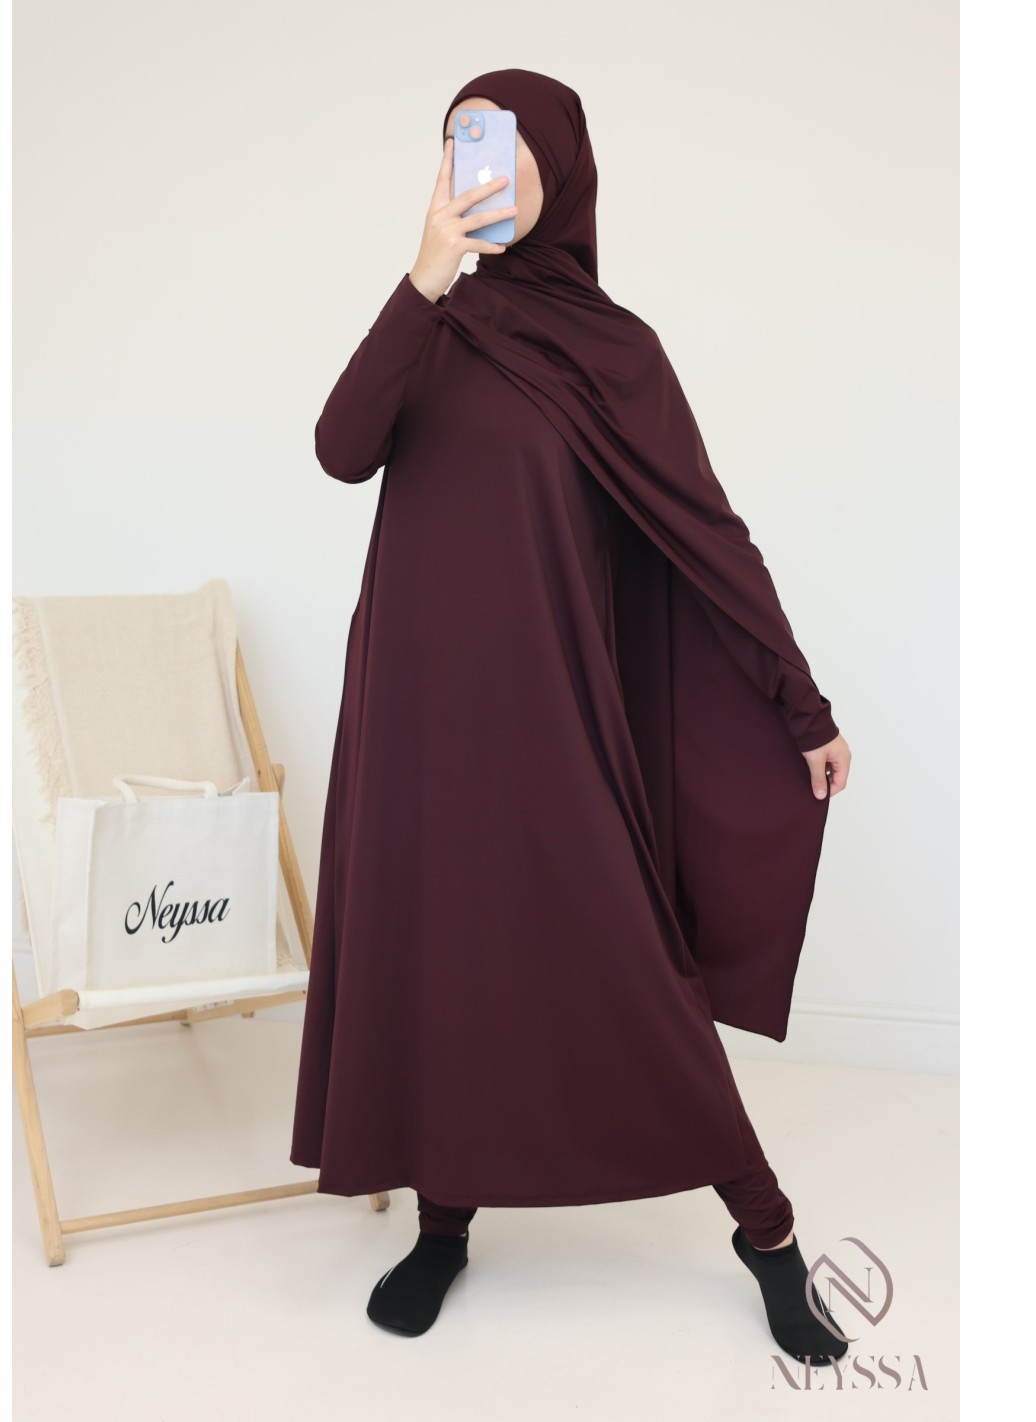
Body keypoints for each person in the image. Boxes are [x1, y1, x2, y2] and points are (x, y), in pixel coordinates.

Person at [291, 69, 853, 1364]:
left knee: (632, 964)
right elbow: (338, 446)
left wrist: (800, 700)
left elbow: (709, 533)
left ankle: (767, 1231)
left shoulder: (619, 354)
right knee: (442, 953)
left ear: (559, 165)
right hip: (417, 720)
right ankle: (443, 1225)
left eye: (495, 141)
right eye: (453, 142)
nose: (472, 162)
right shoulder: (431, 325)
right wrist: (422, 277)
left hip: (553, 710)